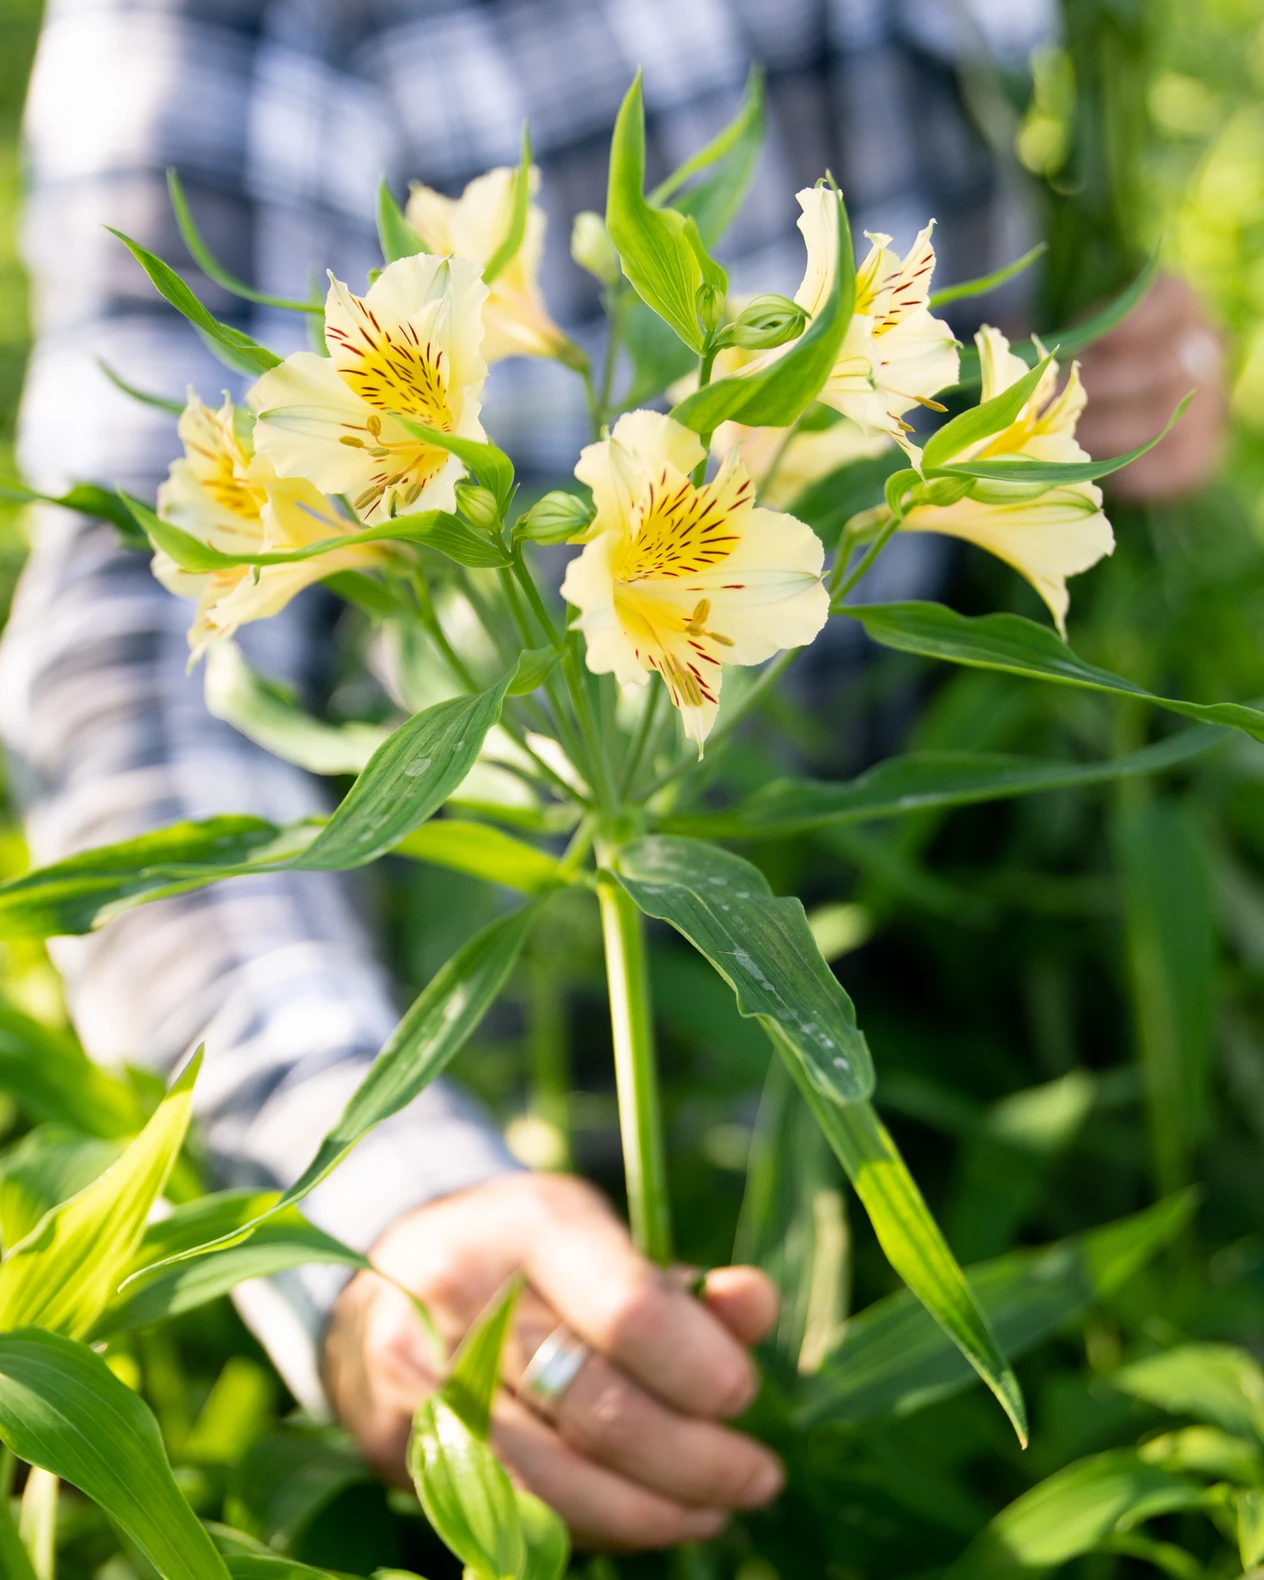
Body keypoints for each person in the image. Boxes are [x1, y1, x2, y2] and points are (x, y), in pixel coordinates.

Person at [1, 0, 1224, 1552]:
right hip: (508, 1111)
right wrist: (388, 1206)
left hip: (961, 972)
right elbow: (127, 669)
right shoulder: (209, 30)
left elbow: (1012, 186)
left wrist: (1109, 358)